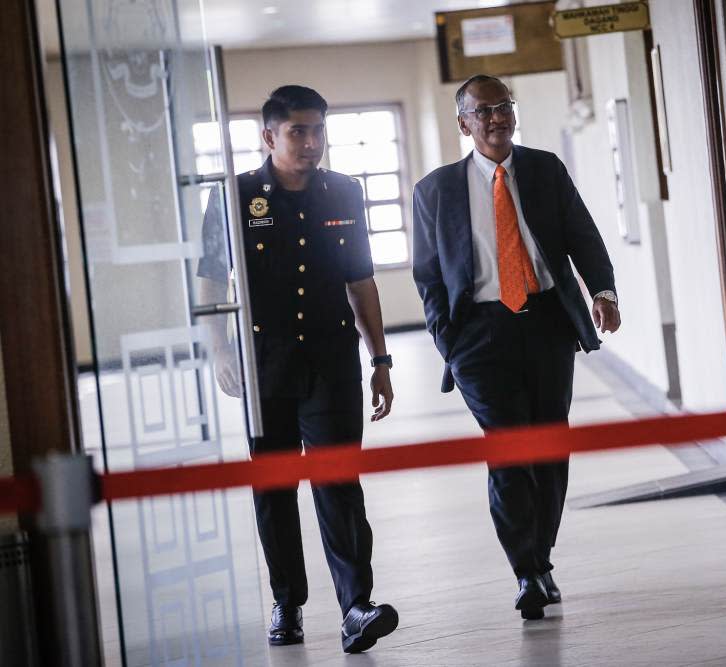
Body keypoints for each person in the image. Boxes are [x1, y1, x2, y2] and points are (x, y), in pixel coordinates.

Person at [411, 74, 621, 620]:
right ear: (465, 123)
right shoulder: (434, 191)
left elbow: (582, 234)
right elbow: (428, 275)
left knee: (549, 450)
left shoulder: (545, 168)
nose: (498, 117)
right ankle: (526, 571)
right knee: (508, 451)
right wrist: (447, 340)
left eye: (504, 106)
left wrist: (602, 291)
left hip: (548, 322)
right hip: (479, 335)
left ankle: (541, 558)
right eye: (484, 111)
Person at [197, 85, 398, 653]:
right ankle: (287, 601)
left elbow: (361, 281)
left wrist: (380, 359)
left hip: (332, 361)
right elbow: (211, 282)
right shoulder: (235, 197)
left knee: (339, 483)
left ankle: (356, 606)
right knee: (275, 489)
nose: (312, 143)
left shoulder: (343, 193)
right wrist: (219, 351)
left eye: (318, 131)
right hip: (266, 366)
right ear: (269, 136)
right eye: (298, 132)